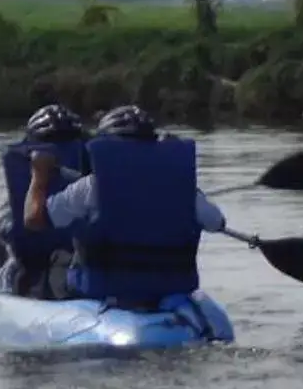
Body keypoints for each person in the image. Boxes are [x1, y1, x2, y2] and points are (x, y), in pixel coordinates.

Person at [21, 104, 226, 309]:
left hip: (108, 288)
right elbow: (217, 222)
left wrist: (39, 175)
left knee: (58, 259)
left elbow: (34, 219)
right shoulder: (183, 188)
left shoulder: (91, 187)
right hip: (170, 286)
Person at [0, 103, 88, 298]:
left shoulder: (13, 207)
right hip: (71, 264)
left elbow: (15, 225)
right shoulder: (99, 186)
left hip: (48, 264)